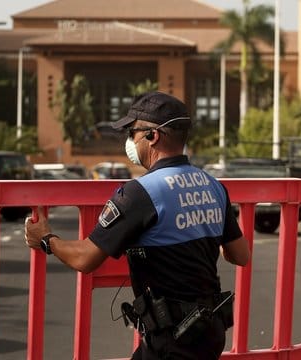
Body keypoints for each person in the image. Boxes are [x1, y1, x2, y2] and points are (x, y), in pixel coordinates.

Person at [24, 91, 250, 359]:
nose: (129, 141)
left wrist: (46, 239)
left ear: (152, 136)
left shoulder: (141, 193)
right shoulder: (214, 186)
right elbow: (240, 255)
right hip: (210, 330)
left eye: (132, 133)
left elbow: (85, 258)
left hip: (173, 340)